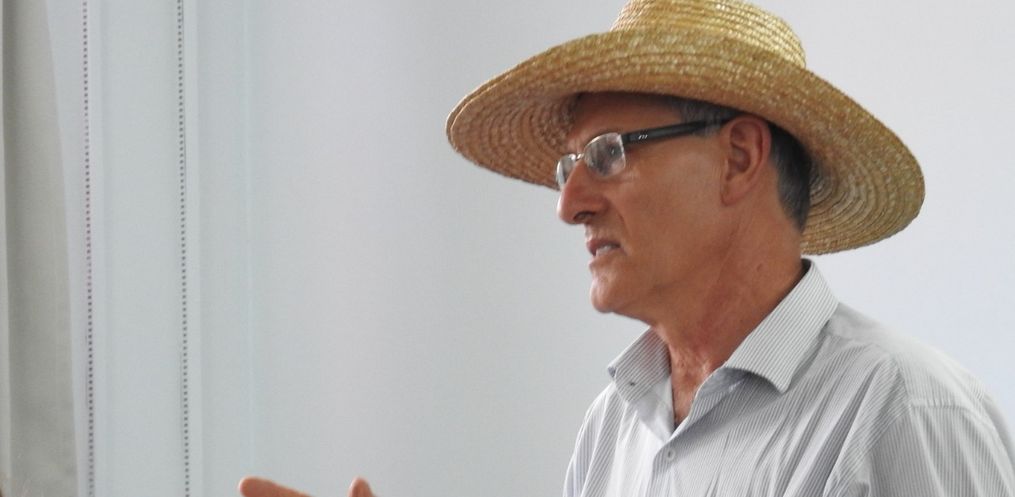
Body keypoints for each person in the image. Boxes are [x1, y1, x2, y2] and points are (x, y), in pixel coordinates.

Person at [240, 0, 1015, 495]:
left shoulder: (904, 412)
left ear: (739, 157)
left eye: (608, 152)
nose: (569, 203)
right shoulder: (614, 424)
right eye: (566, 166)